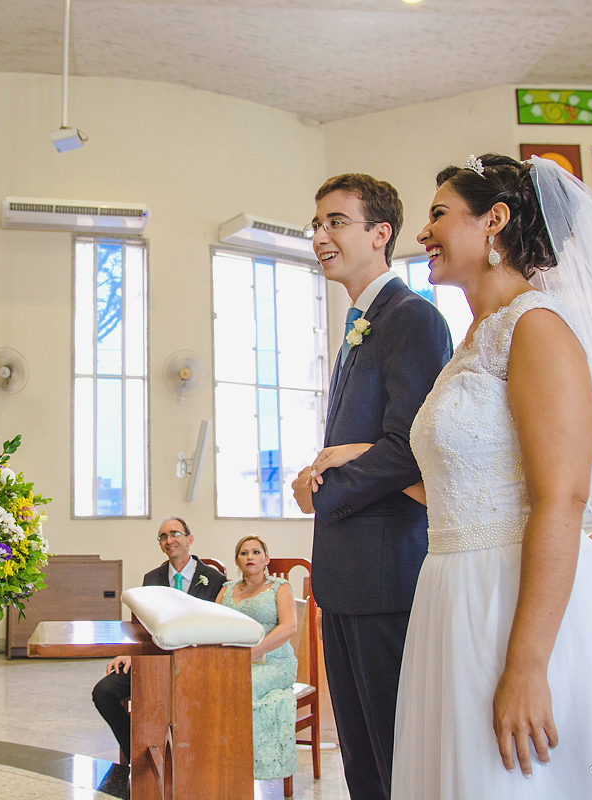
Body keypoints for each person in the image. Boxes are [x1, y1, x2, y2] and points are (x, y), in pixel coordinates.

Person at [316, 153, 592, 798]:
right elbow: (455, 482)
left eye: (440, 215)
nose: (424, 233)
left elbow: (562, 497)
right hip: (451, 595)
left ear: (494, 221)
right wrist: (349, 462)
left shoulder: (538, 328)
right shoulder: (474, 339)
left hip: (515, 597)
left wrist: (528, 665)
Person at [289, 173, 451, 799]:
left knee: (391, 750)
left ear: (381, 234)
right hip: (347, 572)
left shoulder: (411, 318)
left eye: (336, 222)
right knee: (358, 751)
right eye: (317, 224)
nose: (320, 236)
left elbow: (412, 445)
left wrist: (326, 487)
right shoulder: (361, 323)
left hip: (387, 571)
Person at [91, 517, 226, 763]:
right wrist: (130, 652)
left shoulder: (215, 579)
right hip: (156, 663)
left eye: (175, 533)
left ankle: (194, 762)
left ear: (190, 539)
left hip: (198, 666)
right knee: (104, 692)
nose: (169, 540)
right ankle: (140, 754)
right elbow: (142, 625)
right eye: (163, 536)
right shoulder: (151, 578)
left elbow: (221, 625)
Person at [215, 536, 298, 781]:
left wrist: (254, 652)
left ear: (266, 559)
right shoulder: (226, 590)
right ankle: (219, 761)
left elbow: (289, 627)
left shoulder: (279, 587)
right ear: (237, 561)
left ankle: (246, 768)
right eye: (244, 553)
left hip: (274, 661)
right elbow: (212, 623)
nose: (250, 557)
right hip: (232, 661)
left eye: (256, 552)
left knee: (239, 687)